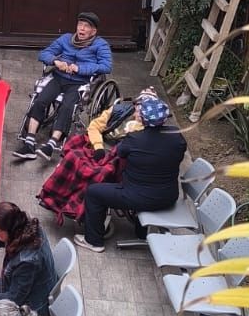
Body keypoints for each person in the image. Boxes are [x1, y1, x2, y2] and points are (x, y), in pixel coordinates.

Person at [75, 93, 188, 252]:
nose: (136, 115)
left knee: (94, 192)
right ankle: (141, 232)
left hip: (137, 197)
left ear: (143, 119)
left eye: (139, 114)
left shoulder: (135, 139)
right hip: (168, 197)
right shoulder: (177, 136)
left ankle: (93, 241)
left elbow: (119, 153)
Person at [14, 12, 113, 161]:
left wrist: (79, 68)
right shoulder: (66, 39)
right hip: (59, 78)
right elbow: (44, 53)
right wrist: (55, 61)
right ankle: (29, 141)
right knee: (40, 100)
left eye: (86, 26)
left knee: (67, 107)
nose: (82, 29)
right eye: (80, 25)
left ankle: (52, 143)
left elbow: (106, 66)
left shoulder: (100, 45)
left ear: (93, 31)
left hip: (79, 82)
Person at [36, 92, 142, 227]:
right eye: (138, 107)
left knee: (98, 173)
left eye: (143, 109)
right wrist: (98, 146)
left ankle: (74, 208)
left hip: (118, 156)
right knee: (73, 157)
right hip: (101, 146)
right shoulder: (117, 110)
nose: (139, 111)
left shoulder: (147, 130)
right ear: (135, 105)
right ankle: (53, 198)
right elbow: (94, 126)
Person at [0, 201, 58, 316]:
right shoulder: (28, 227)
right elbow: (13, 239)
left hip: (28, 306)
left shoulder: (27, 262)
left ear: (9, 230)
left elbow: (14, 299)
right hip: (20, 286)